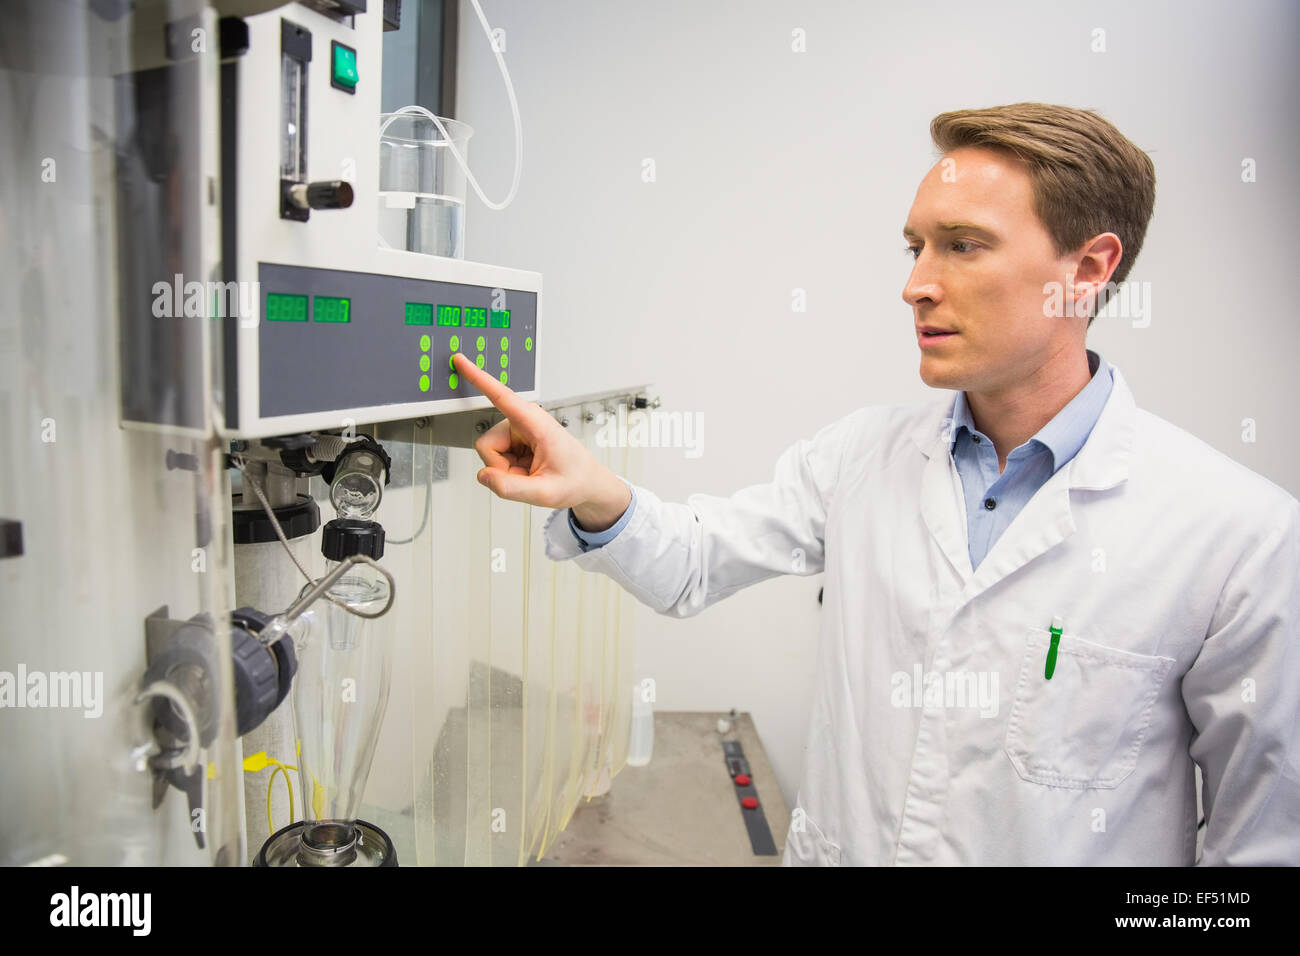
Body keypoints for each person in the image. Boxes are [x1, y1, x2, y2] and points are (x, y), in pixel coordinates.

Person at [450, 102, 1300, 866]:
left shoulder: (1239, 537)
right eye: (917, 245)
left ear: (1086, 269)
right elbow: (695, 563)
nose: (915, 284)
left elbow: (1260, 847)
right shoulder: (863, 455)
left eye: (964, 245)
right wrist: (590, 486)